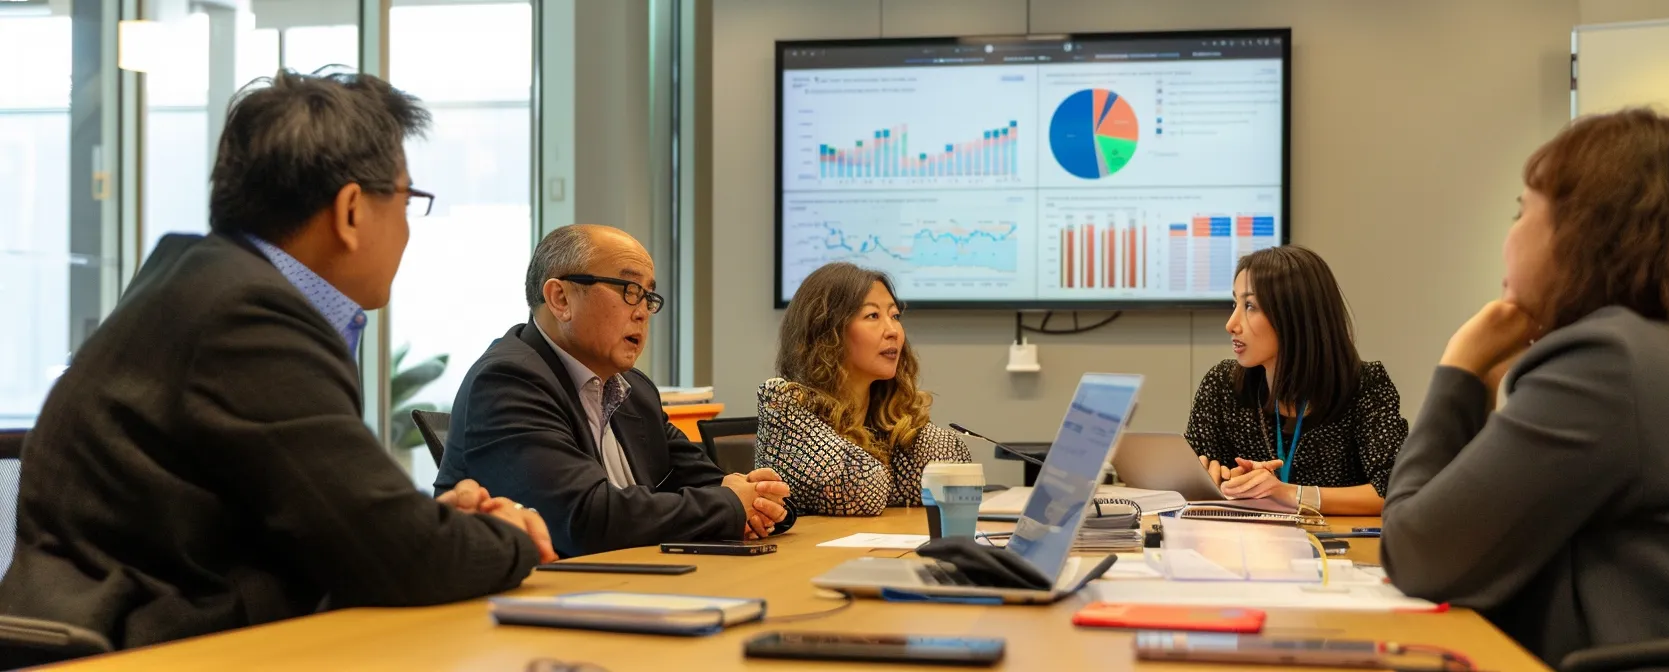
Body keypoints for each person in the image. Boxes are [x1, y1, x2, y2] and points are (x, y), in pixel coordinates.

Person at [0, 69, 556, 650]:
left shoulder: (203, 281)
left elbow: (343, 522)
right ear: (350, 211)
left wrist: (436, 526)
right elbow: (396, 557)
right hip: (147, 648)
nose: (407, 231)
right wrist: (504, 534)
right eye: (405, 199)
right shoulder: (248, 315)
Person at [1381, 108, 1669, 667]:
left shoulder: (1610, 362)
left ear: (1578, 232)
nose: (1509, 236)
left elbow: (1417, 552)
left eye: (1521, 210)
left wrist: (1459, 371)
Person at [437, 225, 791, 557]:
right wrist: (730, 504)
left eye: (648, 296)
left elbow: (710, 482)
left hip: (633, 584)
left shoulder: (634, 390)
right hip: (549, 601)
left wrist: (761, 501)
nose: (642, 312)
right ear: (561, 299)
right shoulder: (508, 381)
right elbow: (584, 518)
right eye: (629, 290)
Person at [1184, 245, 1408, 515]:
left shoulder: (1365, 387)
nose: (1231, 324)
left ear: (1294, 316)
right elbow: (1191, 479)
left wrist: (1289, 494)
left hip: (1337, 549)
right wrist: (1218, 480)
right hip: (1246, 547)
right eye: (1235, 304)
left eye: (1250, 306)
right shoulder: (1222, 386)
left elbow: (1397, 491)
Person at [755, 262, 973, 516]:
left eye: (894, 316)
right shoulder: (785, 405)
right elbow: (862, 490)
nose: (893, 331)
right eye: (872, 316)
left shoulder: (884, 414)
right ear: (828, 331)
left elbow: (954, 468)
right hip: (803, 553)